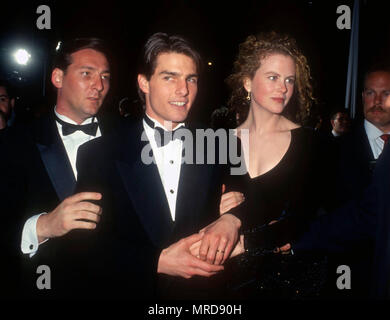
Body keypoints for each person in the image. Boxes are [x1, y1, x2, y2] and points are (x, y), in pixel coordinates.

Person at [75, 32, 244, 299]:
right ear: (144, 82)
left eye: (191, 79)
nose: (183, 90)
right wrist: (155, 262)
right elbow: (87, 247)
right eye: (170, 77)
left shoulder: (220, 145)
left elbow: (253, 198)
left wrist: (232, 220)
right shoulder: (98, 153)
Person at [0, 37, 117, 299]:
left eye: (105, 77)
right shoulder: (13, 143)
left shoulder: (128, 139)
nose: (99, 86)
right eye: (87, 74)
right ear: (57, 78)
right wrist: (42, 226)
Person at [220, 31, 330, 299]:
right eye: (273, 77)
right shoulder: (221, 142)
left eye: (289, 80)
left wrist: (245, 241)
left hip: (292, 283)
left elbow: (308, 218)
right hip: (228, 283)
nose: (283, 88)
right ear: (247, 82)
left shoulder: (311, 143)